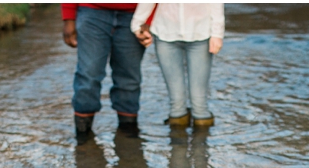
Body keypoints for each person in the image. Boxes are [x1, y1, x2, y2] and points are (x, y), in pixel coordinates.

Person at [61, 3, 148, 139]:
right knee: (88, 75)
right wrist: (68, 17)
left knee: (129, 79)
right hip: (92, 11)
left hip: (137, 15)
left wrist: (148, 20)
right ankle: (83, 140)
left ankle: (129, 144)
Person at [130, 4, 224, 127]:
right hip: (165, 32)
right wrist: (137, 24)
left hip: (201, 34)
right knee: (176, 103)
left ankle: (202, 143)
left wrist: (217, 34)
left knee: (199, 102)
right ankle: (177, 142)